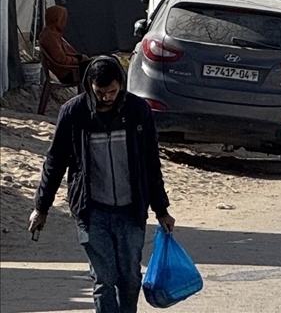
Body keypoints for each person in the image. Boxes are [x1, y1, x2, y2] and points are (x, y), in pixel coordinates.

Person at [30, 56, 175, 313]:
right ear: (90, 87)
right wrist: (41, 207)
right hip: (92, 211)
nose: (106, 98)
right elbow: (55, 162)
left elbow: (151, 164)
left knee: (130, 278)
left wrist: (161, 209)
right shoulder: (74, 113)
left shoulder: (137, 111)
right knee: (104, 278)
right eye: (100, 92)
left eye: (111, 92)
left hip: (131, 211)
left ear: (121, 84)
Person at [38, 5, 89, 85]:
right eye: (63, 19)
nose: (65, 22)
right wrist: (79, 60)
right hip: (68, 73)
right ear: (57, 19)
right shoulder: (49, 36)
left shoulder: (54, 34)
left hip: (70, 70)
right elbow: (61, 59)